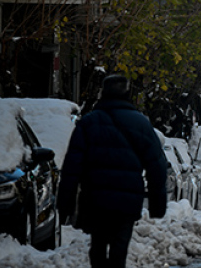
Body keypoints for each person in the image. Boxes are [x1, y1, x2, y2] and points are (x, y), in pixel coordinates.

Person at [58, 74, 168, 268]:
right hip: (127, 199)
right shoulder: (140, 123)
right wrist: (157, 204)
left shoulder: (89, 123)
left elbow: (72, 166)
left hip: (94, 198)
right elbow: (157, 165)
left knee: (98, 244)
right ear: (128, 94)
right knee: (120, 246)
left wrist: (65, 203)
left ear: (103, 92)